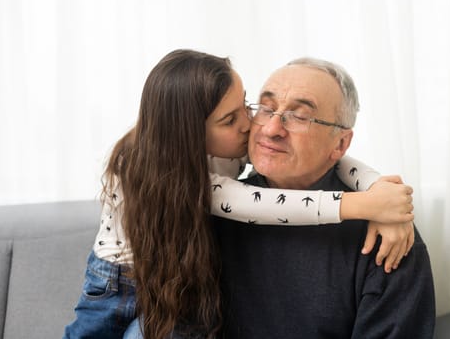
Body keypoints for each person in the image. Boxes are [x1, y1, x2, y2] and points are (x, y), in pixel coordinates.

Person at [64, 50, 415, 339]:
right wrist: (369, 203)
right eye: (261, 109)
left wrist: (384, 195)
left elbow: (338, 162)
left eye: (297, 116)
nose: (261, 126)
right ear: (192, 133)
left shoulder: (386, 249)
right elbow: (264, 206)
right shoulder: (200, 190)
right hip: (116, 285)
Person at [213, 57, 435, 338]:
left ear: (340, 143)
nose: (271, 129)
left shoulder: (388, 240)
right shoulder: (210, 214)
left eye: (300, 116)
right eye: (266, 108)